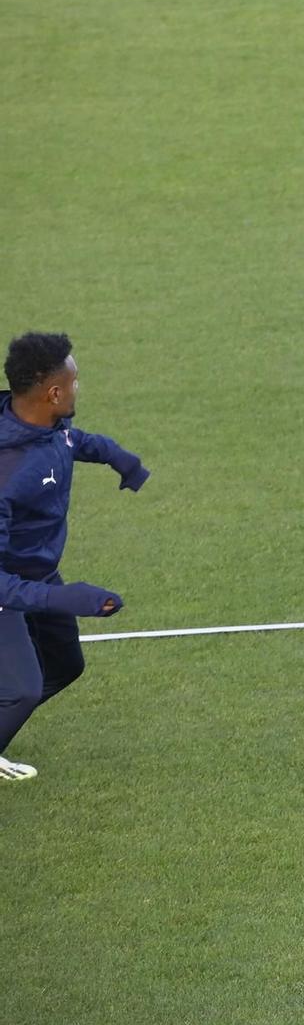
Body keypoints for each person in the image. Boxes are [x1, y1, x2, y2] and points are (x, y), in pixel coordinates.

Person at [0, 332, 147, 784]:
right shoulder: (8, 473)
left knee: (64, 667)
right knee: (21, 693)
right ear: (54, 392)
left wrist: (117, 457)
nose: (79, 387)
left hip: (39, 574)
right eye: (76, 381)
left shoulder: (47, 423)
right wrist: (70, 599)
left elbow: (71, 441)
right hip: (8, 588)